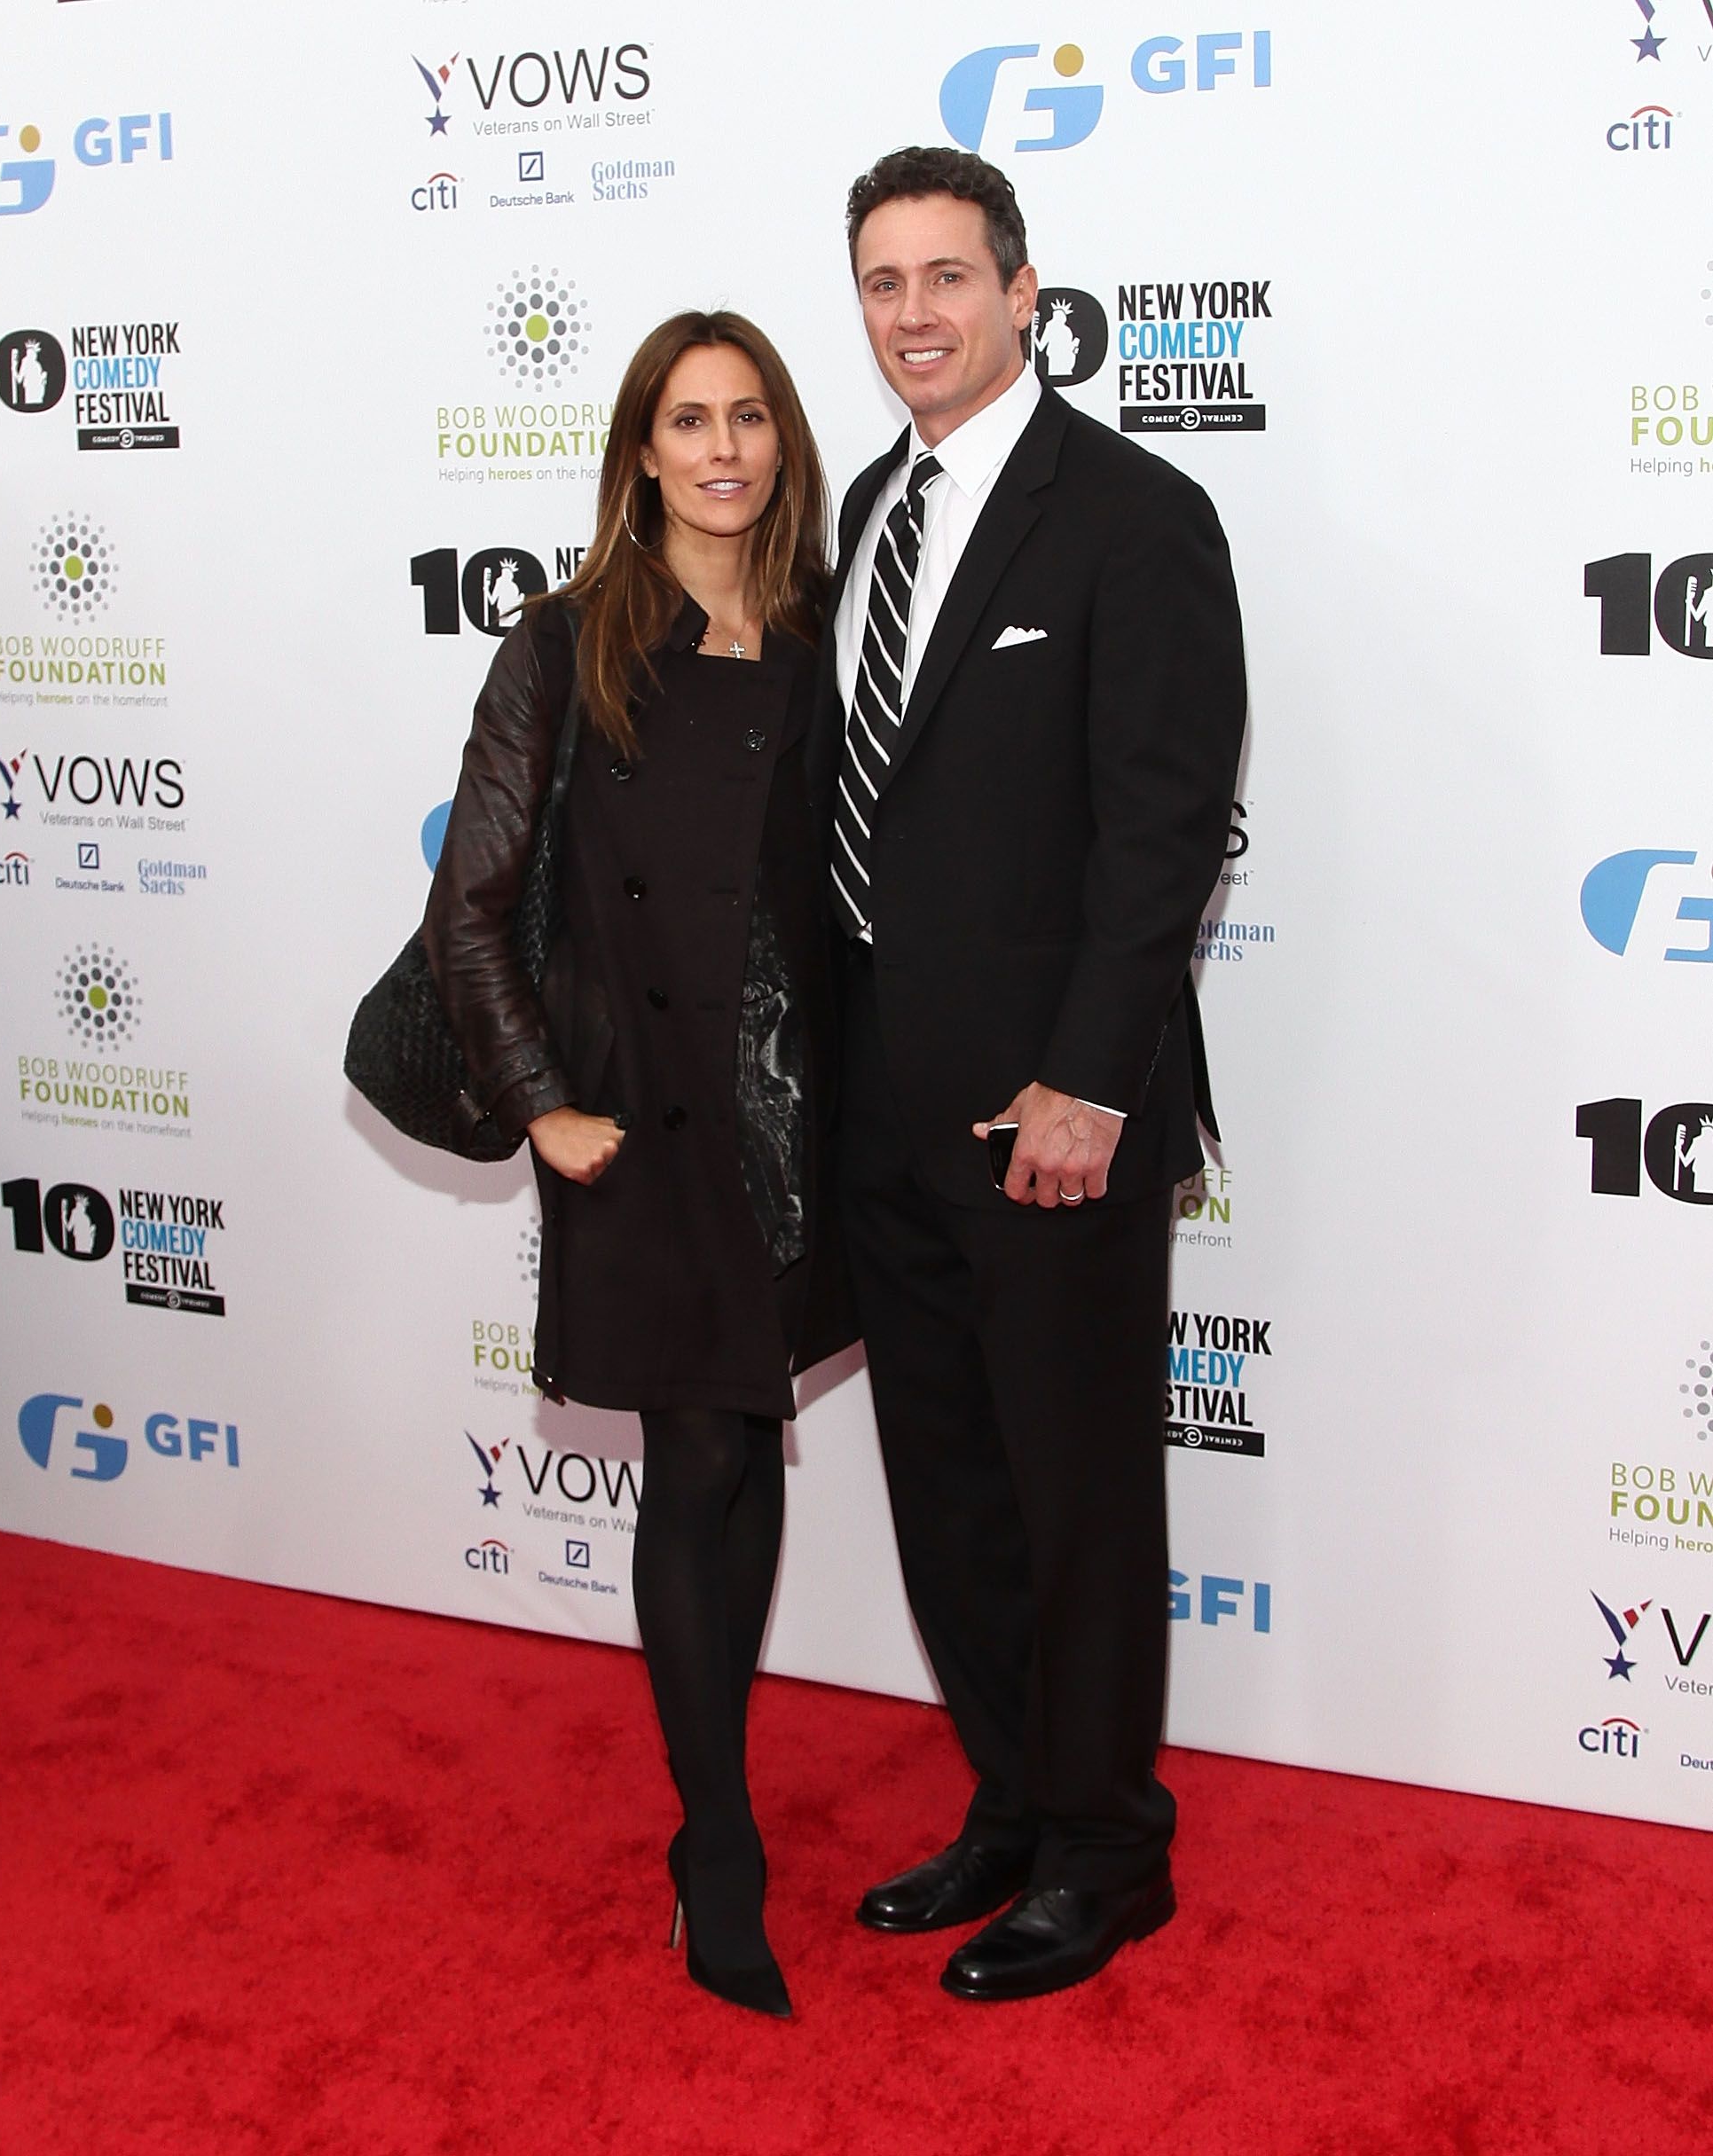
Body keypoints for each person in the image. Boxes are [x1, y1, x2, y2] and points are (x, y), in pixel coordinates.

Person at [810, 147, 1247, 2002]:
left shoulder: (1133, 515)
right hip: (885, 1113)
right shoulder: (862, 507)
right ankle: (1005, 1798)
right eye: (882, 284)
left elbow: (1164, 831)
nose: (913, 314)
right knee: (952, 1485)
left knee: (1072, 1493)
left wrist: (1090, 1083)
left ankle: (1103, 1848)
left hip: (1045, 1119)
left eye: (945, 278)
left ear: (1022, 288)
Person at [424, 310, 852, 2019]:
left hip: (790, 1131)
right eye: (689, 421)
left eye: (750, 417)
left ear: (782, 441)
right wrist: (540, 1103)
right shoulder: (565, 644)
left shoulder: (828, 639)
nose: (724, 448)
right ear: (640, 451)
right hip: (636, 1127)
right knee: (694, 1468)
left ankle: (714, 1808)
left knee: (741, 1452)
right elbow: (469, 908)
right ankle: (718, 1844)